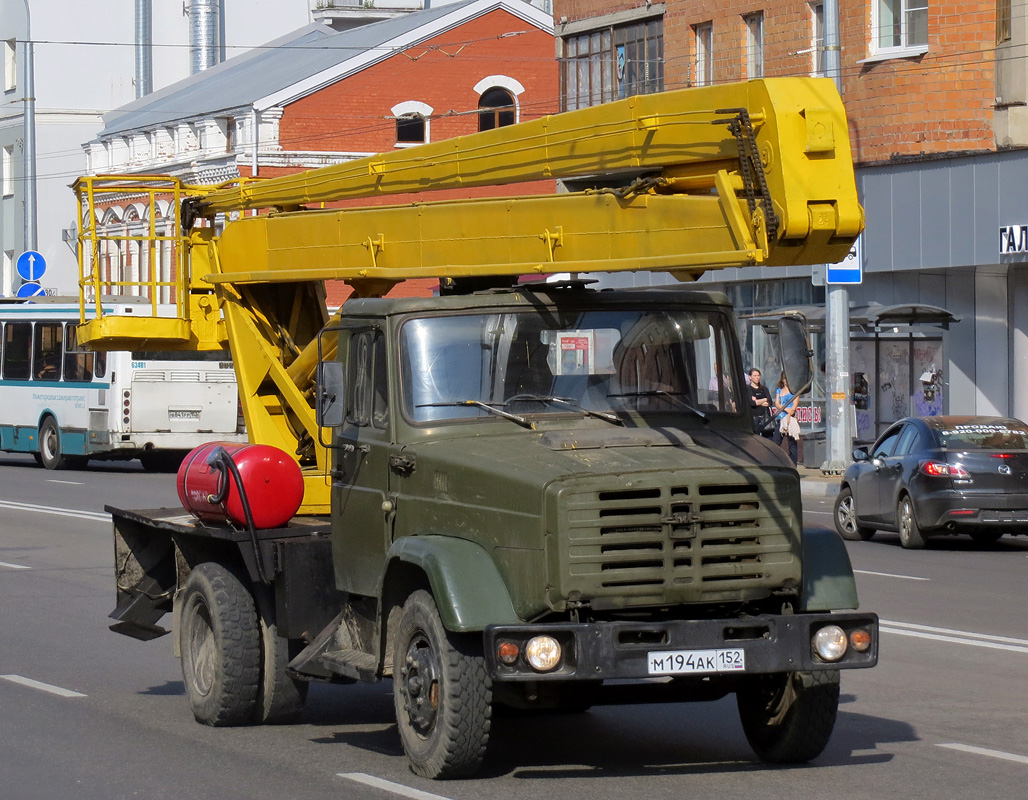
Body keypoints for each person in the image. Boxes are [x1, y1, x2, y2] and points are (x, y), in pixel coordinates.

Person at [773, 371, 800, 464]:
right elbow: (777, 403)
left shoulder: (795, 392)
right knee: (776, 442)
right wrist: (786, 409)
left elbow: (793, 408)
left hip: (791, 419)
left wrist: (788, 412)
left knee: (792, 445)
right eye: (784, 378)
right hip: (781, 418)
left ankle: (793, 465)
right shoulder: (779, 390)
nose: (786, 381)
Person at [747, 368, 774, 438]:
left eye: (758, 375)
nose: (757, 377)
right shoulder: (748, 389)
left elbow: (770, 402)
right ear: (750, 377)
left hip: (765, 418)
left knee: (768, 439)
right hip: (754, 418)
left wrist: (758, 401)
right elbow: (752, 403)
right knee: (755, 439)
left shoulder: (764, 389)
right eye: (755, 375)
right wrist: (764, 399)